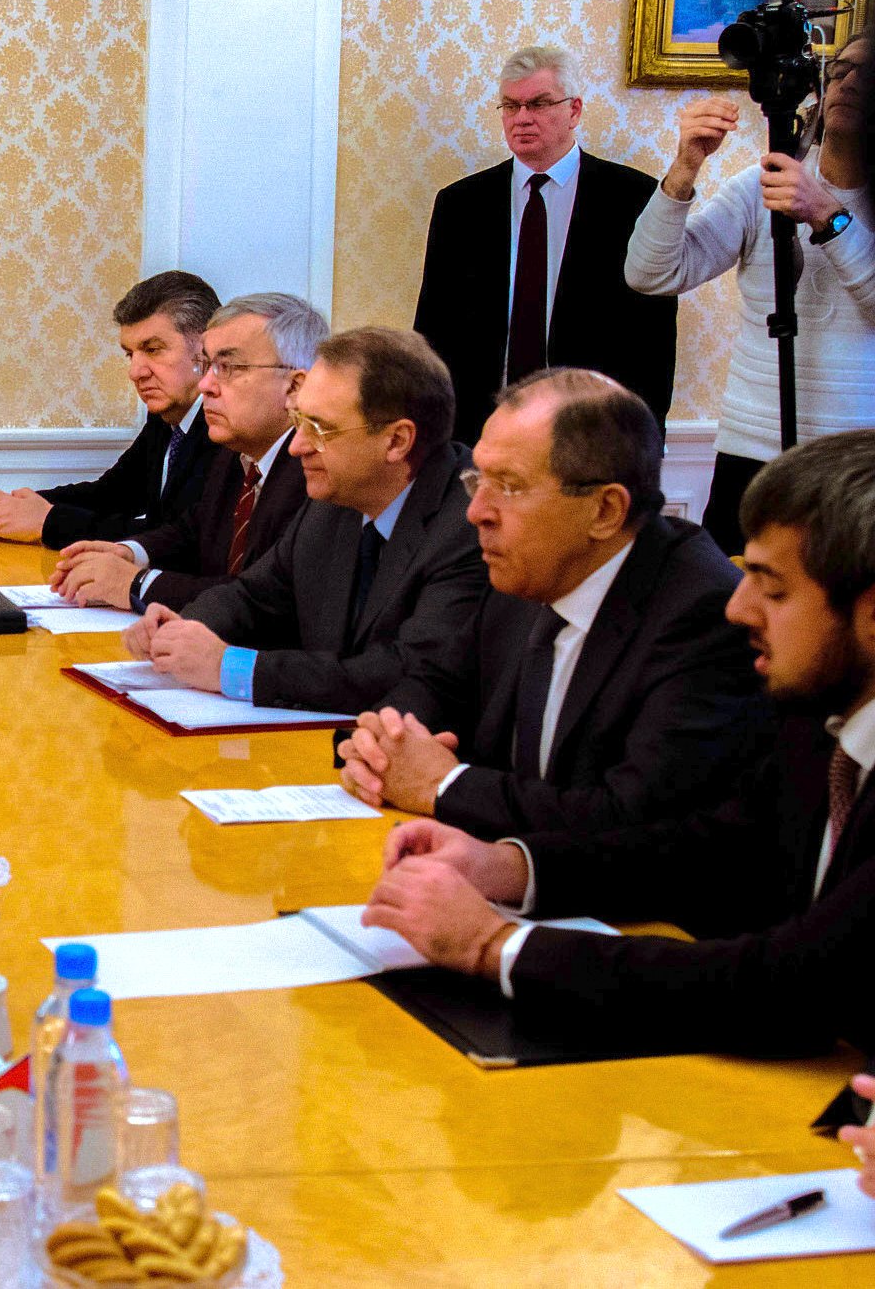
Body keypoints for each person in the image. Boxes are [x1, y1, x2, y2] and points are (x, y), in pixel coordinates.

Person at [360, 429, 875, 1054]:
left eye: (773, 589)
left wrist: (493, 946)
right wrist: (509, 865)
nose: (738, 609)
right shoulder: (818, 719)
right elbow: (713, 850)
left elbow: (788, 984)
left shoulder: (713, 624)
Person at [338, 369, 768, 837]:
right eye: (477, 480)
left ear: (605, 511)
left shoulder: (702, 614)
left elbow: (632, 817)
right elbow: (436, 685)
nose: (476, 511)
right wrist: (379, 745)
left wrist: (444, 785)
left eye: (510, 485)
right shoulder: (529, 570)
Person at [124, 328, 487, 713]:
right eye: (298, 421)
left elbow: (407, 672)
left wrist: (230, 668)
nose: (297, 447)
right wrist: (182, 629)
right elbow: (253, 595)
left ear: (397, 441)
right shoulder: (334, 499)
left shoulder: (471, 523)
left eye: (319, 428)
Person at [626, 28, 874, 553]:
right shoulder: (760, 184)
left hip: (857, 458)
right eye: (841, 70)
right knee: (734, 612)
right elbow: (651, 273)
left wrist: (827, 216)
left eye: (867, 72)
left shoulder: (815, 196)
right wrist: (686, 165)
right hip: (749, 446)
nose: (849, 82)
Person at [415, 46, 677, 446]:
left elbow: (653, 336)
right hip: (478, 429)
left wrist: (644, 435)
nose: (521, 118)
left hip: (593, 428)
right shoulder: (461, 204)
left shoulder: (633, 198)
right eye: (510, 106)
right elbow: (434, 325)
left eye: (537, 104)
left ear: (574, 111)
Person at [48, 293, 323, 610]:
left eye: (228, 367)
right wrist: (129, 552)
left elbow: (266, 599)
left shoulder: (318, 471)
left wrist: (136, 583)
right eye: (207, 365)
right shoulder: (236, 453)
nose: (206, 384)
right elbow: (193, 531)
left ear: (295, 386)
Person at [0, 270, 222, 547]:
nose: (135, 372)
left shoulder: (227, 425)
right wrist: (9, 508)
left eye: (153, 349)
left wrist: (46, 522)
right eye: (130, 354)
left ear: (207, 349)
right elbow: (114, 494)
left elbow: (175, 537)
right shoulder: (166, 415)